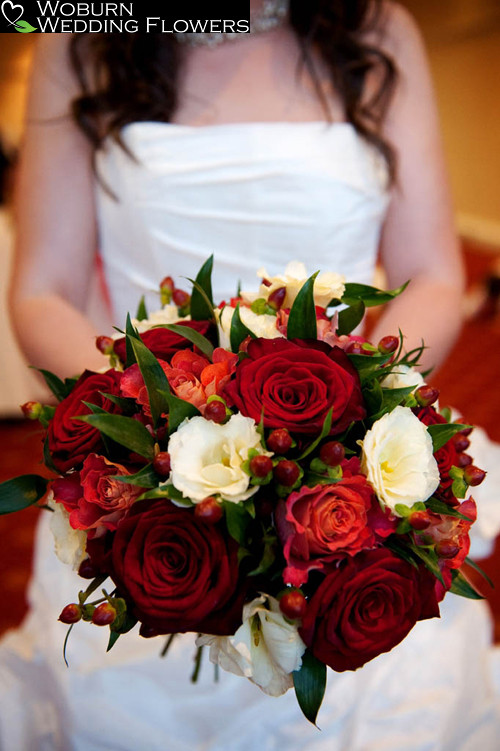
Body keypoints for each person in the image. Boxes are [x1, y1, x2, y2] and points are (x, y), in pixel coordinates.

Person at [1, 2, 499, 749]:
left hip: (337, 451)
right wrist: (152, 433)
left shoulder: (375, 32)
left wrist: (359, 407)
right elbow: (42, 288)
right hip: (155, 476)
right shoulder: (81, 38)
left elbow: (429, 272)